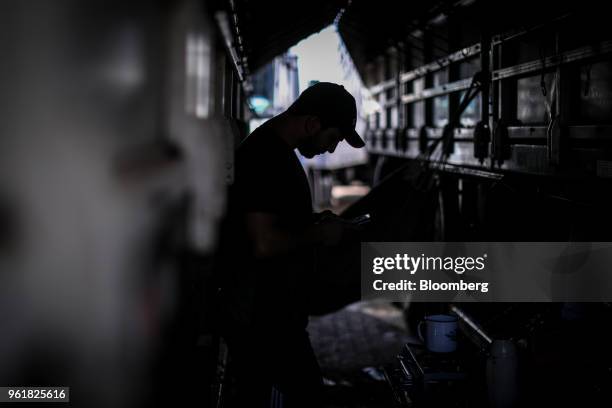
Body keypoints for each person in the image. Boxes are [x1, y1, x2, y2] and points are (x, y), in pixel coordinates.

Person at [217, 82, 365, 407]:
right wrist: (320, 235)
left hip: (275, 318)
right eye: (332, 139)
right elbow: (263, 242)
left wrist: (313, 222)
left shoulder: (275, 152)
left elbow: (271, 221)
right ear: (313, 124)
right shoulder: (265, 158)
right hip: (264, 324)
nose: (330, 150)